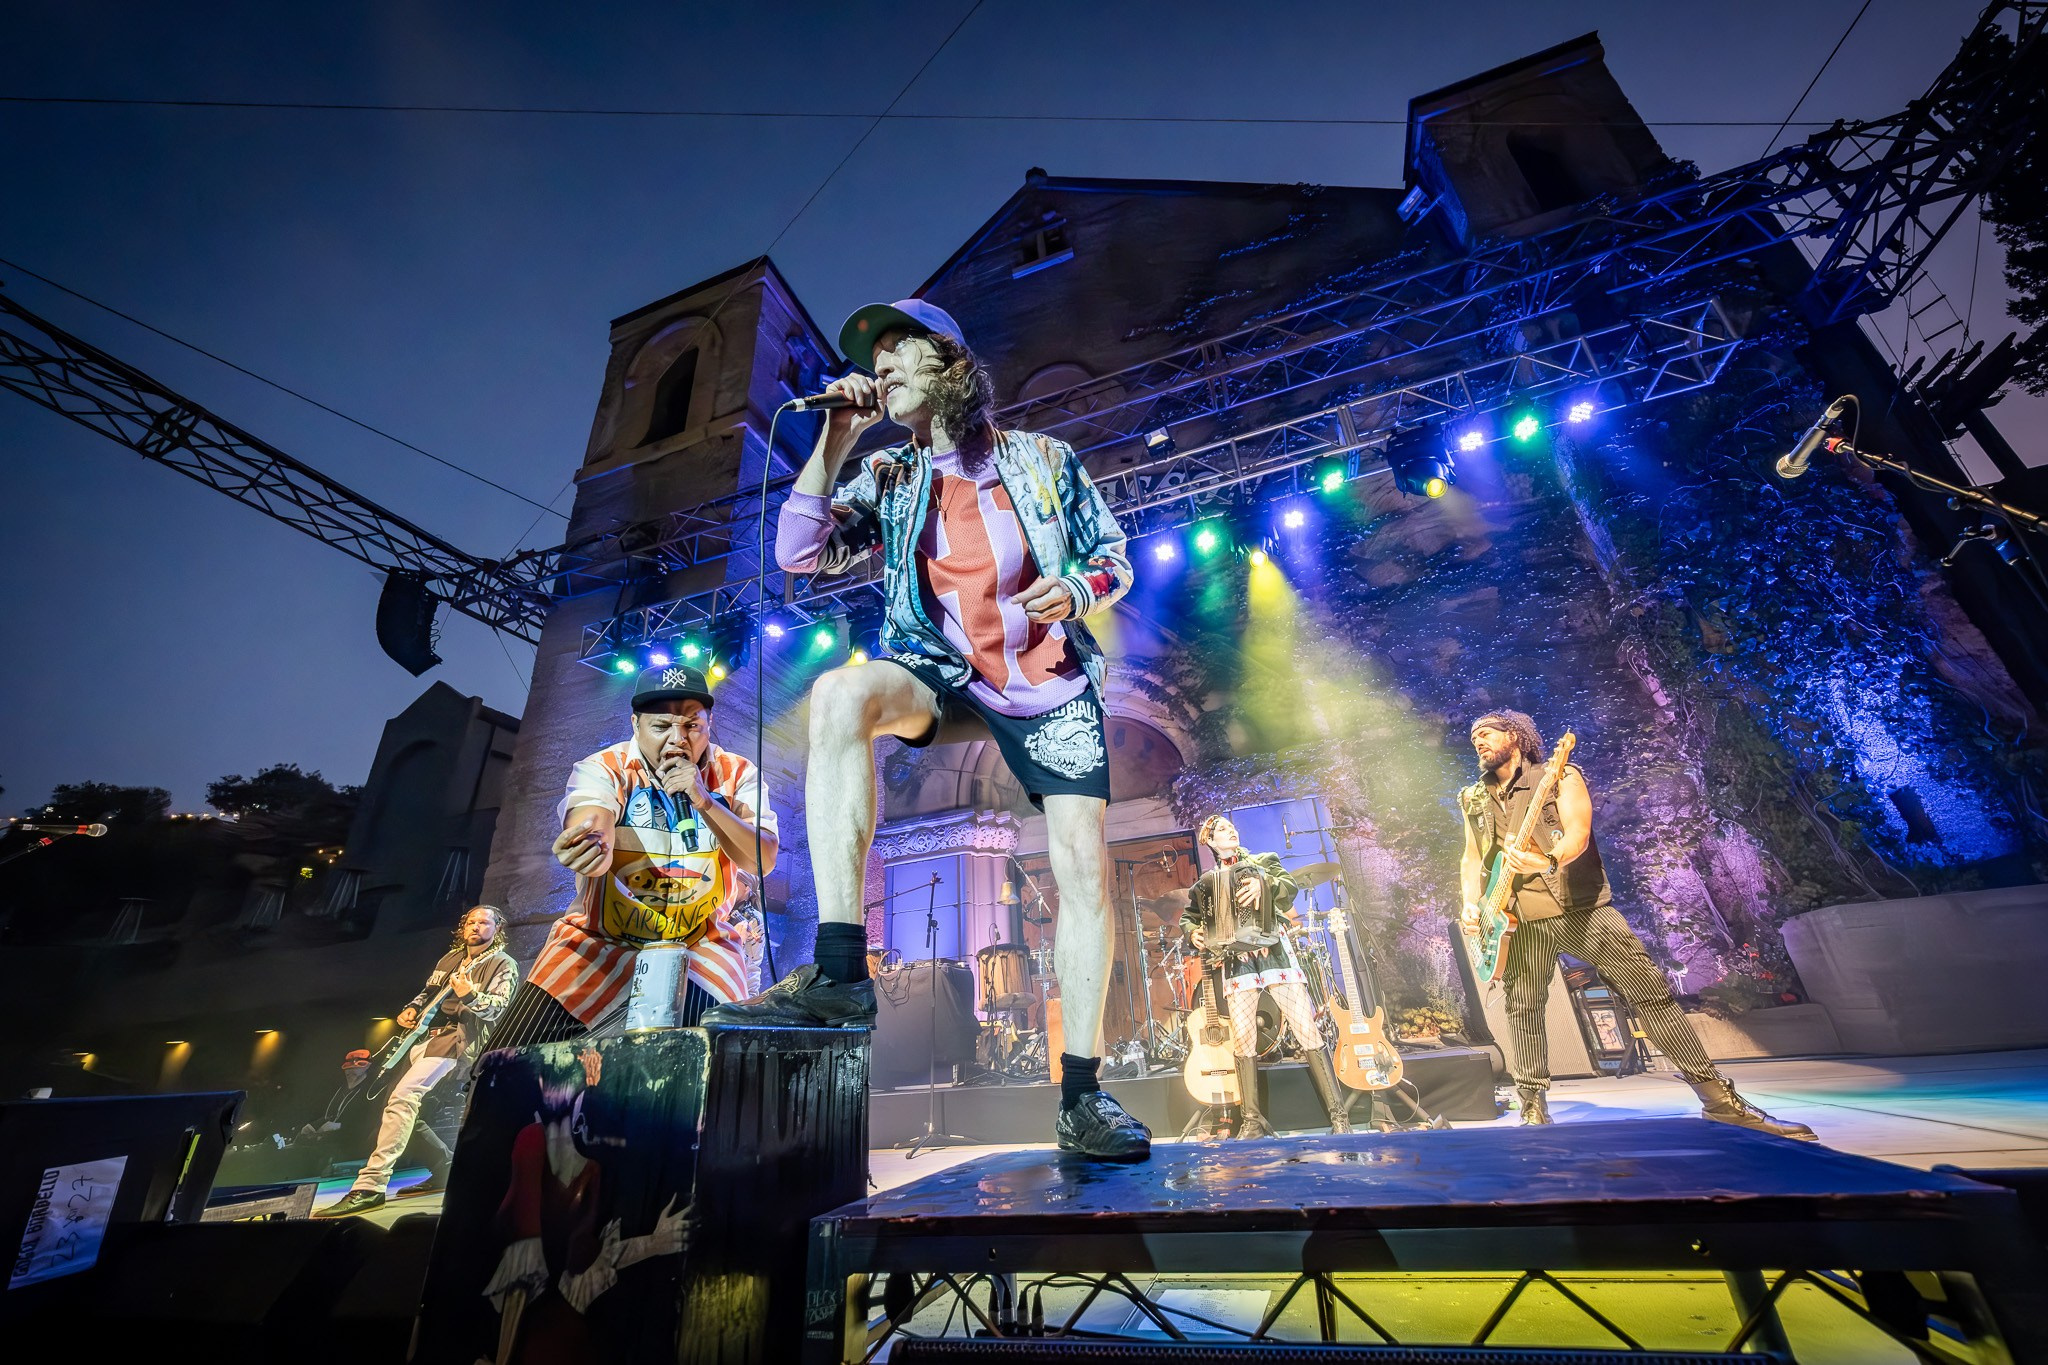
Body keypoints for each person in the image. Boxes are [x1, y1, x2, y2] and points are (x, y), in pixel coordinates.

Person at [705, 298, 1149, 1160]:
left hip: (1049, 687)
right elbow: (799, 553)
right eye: (876, 357)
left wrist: (1079, 591)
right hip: (944, 677)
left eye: (899, 349)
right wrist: (835, 438)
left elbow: (1112, 555)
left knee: (1082, 874)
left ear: (949, 364)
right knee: (841, 695)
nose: (883, 366)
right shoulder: (891, 475)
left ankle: (1083, 1096)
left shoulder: (1042, 460)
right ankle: (840, 971)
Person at [1458, 711, 1816, 1140]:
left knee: (1650, 996)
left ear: (1515, 736)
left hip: (1582, 908)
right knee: (1524, 1009)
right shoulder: (1474, 798)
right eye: (1473, 736)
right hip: (1516, 918)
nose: (1478, 741)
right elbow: (1472, 857)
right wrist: (1471, 904)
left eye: (1487, 733)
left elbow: (1578, 833)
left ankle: (1719, 1100)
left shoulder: (1559, 775)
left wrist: (1548, 860)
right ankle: (1533, 1108)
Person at [490, 663, 778, 1047]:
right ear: (635, 725)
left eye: (692, 726)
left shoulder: (739, 773)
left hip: (700, 944)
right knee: (505, 1063)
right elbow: (592, 815)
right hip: (600, 940)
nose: (678, 739)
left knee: (715, 1065)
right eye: (661, 727)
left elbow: (762, 860)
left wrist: (705, 801)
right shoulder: (604, 767)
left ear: (710, 725)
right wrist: (589, 842)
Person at [315, 905, 521, 1216]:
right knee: (400, 1108)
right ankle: (443, 1168)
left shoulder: (502, 963)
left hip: (455, 1039)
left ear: (497, 930)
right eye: (471, 921)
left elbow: (497, 1009)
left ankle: (370, 1186)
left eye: (484, 922)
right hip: (420, 1040)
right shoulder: (449, 959)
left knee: (403, 1098)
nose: (476, 926)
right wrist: (411, 1009)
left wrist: (468, 994)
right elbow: (426, 993)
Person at [1182, 816, 1353, 1137]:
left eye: (1231, 827)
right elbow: (1189, 917)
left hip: (1273, 952)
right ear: (1210, 842)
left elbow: (1288, 888)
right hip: (1238, 962)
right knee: (1244, 1039)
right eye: (1221, 830)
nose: (1230, 830)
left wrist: (1265, 885)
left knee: (1306, 1030)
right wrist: (1193, 934)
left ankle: (1339, 1118)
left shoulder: (1263, 862)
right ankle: (1251, 1121)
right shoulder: (1207, 882)